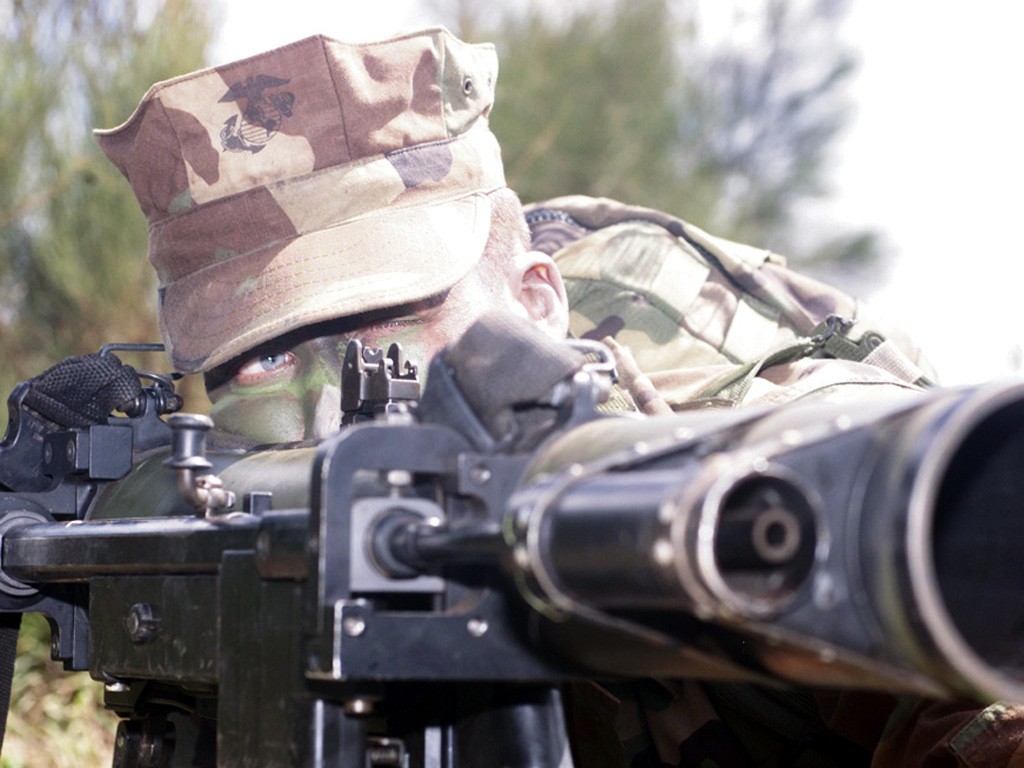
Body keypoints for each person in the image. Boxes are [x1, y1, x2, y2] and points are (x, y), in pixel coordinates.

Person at [95, 26, 1024, 767]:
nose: (333, 402)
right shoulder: (249, 492)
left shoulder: (746, 468)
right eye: (262, 359)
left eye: (392, 322)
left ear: (537, 304)